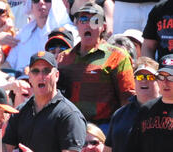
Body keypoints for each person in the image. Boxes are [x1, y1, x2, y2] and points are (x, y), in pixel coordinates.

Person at [57, 2, 135, 134]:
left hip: (103, 129)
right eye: (83, 19)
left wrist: (122, 133)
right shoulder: (63, 58)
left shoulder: (118, 56)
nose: (88, 24)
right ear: (76, 24)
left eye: (95, 20)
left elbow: (128, 99)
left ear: (103, 27)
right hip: (70, 127)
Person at [3, 0, 76, 73]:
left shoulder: (70, 32)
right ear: (31, 5)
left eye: (47, 0)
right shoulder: (23, 34)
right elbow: (8, 65)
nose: (41, 2)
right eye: (36, 0)